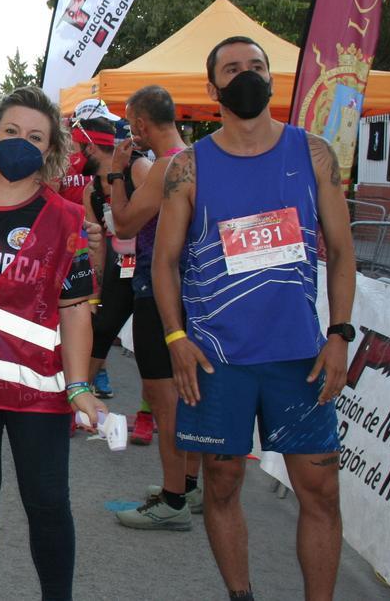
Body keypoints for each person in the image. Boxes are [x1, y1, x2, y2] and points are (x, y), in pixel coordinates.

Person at [153, 36, 355, 600]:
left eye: (257, 67)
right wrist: (175, 337)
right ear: (213, 87)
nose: (247, 75)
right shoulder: (188, 168)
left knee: (320, 491)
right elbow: (164, 264)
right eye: (233, 69)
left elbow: (340, 252)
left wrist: (339, 334)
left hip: (299, 359)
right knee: (221, 482)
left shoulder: (313, 155)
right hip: (218, 364)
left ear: (273, 79)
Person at [0, 85, 106, 601]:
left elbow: (75, 312)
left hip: (37, 389)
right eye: (11, 131)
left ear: (52, 150)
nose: (21, 142)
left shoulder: (68, 220)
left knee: (48, 502)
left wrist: (79, 386)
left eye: (35, 136)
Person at [103, 85, 203, 529]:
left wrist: (117, 174)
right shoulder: (200, 158)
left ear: (141, 125)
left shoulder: (166, 167)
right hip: (194, 288)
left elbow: (124, 222)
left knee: (165, 400)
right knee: (188, 395)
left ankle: (173, 500)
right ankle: (187, 484)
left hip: (156, 287)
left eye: (130, 122)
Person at [76, 115, 155, 440]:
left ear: (92, 146)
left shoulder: (138, 168)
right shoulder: (91, 189)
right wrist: (92, 289)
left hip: (151, 265)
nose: (76, 154)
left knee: (150, 343)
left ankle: (147, 416)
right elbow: (96, 243)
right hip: (119, 265)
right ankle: (83, 405)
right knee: (100, 331)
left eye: (80, 147)